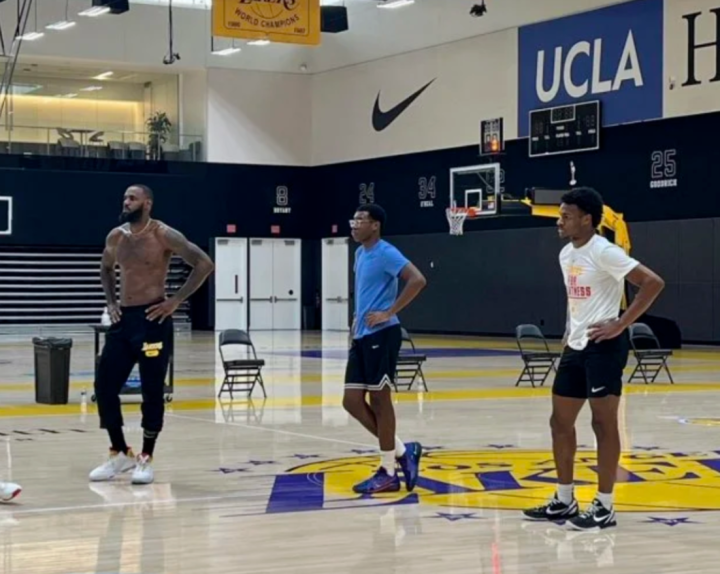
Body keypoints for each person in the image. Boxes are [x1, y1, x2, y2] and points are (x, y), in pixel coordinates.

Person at [522, 187, 664, 530]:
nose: (559, 221)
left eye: (566, 216)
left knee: (603, 424)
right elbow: (576, 299)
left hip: (605, 346)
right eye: (560, 215)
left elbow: (652, 283)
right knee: (559, 422)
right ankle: (564, 499)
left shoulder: (605, 250)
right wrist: (570, 329)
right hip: (576, 346)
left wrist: (621, 323)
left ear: (587, 219)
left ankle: (605, 504)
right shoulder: (565, 254)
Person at [89, 184, 214, 485]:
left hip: (153, 319)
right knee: (104, 386)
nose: (126, 202)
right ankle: (120, 451)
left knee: (152, 390)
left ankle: (146, 456)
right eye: (124, 197)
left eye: (132, 198)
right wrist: (111, 302)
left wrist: (175, 301)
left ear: (147, 204)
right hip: (123, 321)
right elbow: (105, 268)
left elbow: (204, 264)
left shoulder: (164, 234)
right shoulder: (116, 236)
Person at [343, 204, 427, 494]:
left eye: (360, 220)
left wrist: (389, 312)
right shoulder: (359, 253)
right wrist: (356, 319)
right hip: (362, 334)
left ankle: (388, 471)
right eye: (353, 220)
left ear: (375, 225)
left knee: (380, 400)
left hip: (383, 333)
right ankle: (403, 450)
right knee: (351, 401)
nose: (354, 225)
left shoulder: (386, 252)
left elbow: (418, 280)